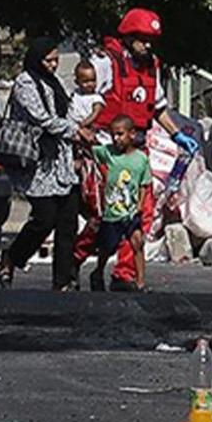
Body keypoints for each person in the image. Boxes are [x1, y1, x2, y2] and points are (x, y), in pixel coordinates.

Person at [79, 8, 199, 291]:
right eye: (143, 39)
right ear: (129, 36)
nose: (147, 45)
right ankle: (76, 258)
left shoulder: (151, 66)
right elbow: (84, 95)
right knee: (104, 215)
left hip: (137, 153)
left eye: (151, 41)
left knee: (139, 214)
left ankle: (125, 274)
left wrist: (178, 135)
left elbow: (157, 108)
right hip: (108, 150)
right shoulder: (106, 63)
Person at [0, 39, 91, 291]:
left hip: (62, 161)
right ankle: (13, 256)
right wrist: (74, 131)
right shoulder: (25, 83)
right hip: (40, 161)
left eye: (55, 60)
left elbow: (67, 113)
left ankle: (63, 281)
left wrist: (78, 133)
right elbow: (41, 118)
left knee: (67, 222)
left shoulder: (55, 84)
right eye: (47, 60)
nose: (52, 65)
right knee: (44, 219)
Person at [88, 116, 152, 292]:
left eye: (120, 134)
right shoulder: (108, 153)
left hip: (131, 212)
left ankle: (140, 282)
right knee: (107, 247)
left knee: (137, 243)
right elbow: (92, 150)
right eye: (113, 135)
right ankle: (98, 271)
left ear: (132, 134)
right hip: (113, 212)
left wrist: (140, 206)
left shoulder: (141, 159)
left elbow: (144, 184)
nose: (116, 139)